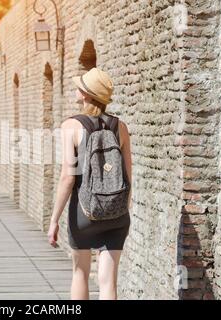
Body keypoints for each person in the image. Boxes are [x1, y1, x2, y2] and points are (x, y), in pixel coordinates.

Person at [47, 67, 132, 300]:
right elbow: (128, 176)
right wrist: (123, 209)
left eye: (79, 86)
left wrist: (54, 220)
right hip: (116, 212)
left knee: (80, 273)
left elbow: (67, 177)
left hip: (83, 212)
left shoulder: (71, 126)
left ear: (85, 94)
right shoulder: (120, 127)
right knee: (108, 283)